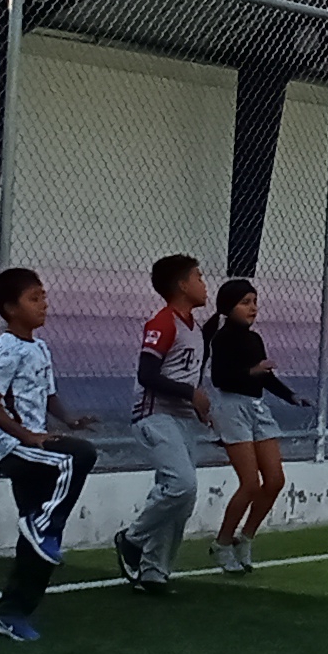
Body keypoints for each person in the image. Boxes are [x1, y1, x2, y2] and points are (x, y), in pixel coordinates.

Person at [0, 265, 98, 644]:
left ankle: (11, 613)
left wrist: (70, 419)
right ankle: (43, 525)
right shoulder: (6, 348)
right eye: (34, 298)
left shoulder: (39, 348)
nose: (44, 304)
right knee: (78, 457)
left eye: (44, 296)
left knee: (40, 543)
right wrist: (27, 437)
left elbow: (47, 396)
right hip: (15, 448)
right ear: (11, 309)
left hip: (35, 444)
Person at [117, 254, 217, 594]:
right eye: (198, 277)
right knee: (181, 484)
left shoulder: (195, 330)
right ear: (182, 285)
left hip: (183, 418)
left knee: (183, 499)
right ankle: (131, 539)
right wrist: (190, 393)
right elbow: (147, 374)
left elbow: (187, 376)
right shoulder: (163, 322)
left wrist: (198, 406)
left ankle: (154, 573)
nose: (204, 284)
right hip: (156, 414)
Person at [206, 277, 306, 573]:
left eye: (254, 302)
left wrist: (290, 395)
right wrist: (254, 370)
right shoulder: (222, 339)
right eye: (245, 303)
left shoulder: (254, 339)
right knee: (250, 483)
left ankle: (245, 537)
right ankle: (222, 543)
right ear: (228, 307)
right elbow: (221, 379)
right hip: (232, 408)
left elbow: (265, 376)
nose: (253, 308)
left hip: (256, 407)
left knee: (275, 480)